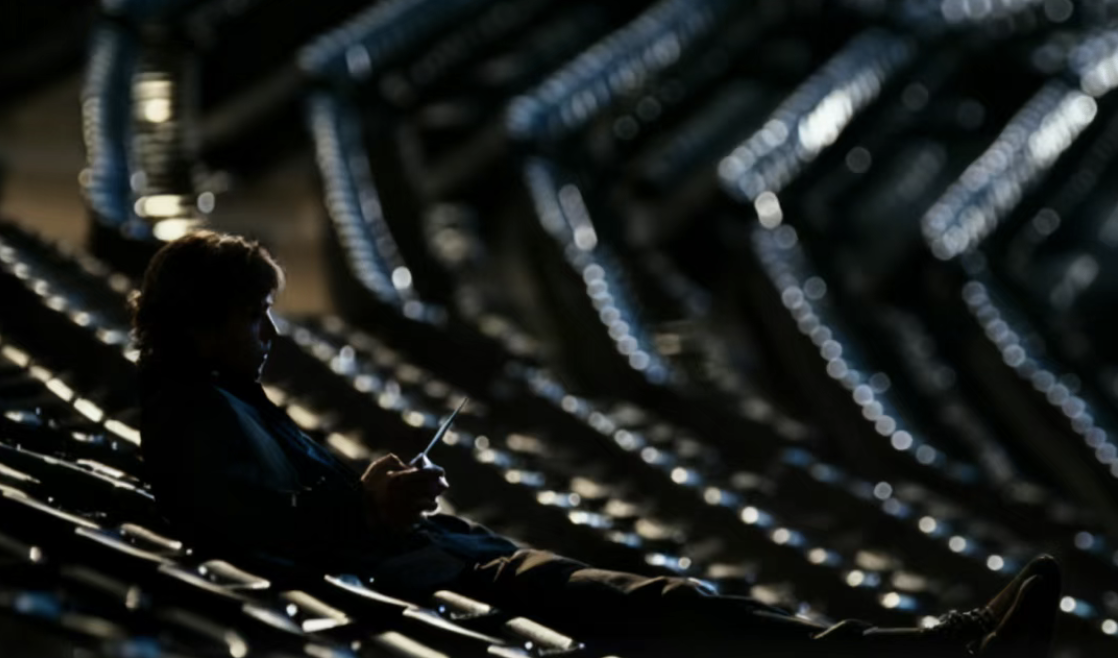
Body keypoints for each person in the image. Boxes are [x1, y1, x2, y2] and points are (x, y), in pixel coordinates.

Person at [135, 231, 1061, 657]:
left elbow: (283, 507)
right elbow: (263, 532)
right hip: (430, 583)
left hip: (440, 562)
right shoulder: (194, 412)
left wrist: (370, 489)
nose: (272, 333)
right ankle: (931, 652)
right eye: (254, 317)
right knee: (680, 609)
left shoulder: (216, 396)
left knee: (680, 604)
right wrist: (371, 506)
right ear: (206, 325)